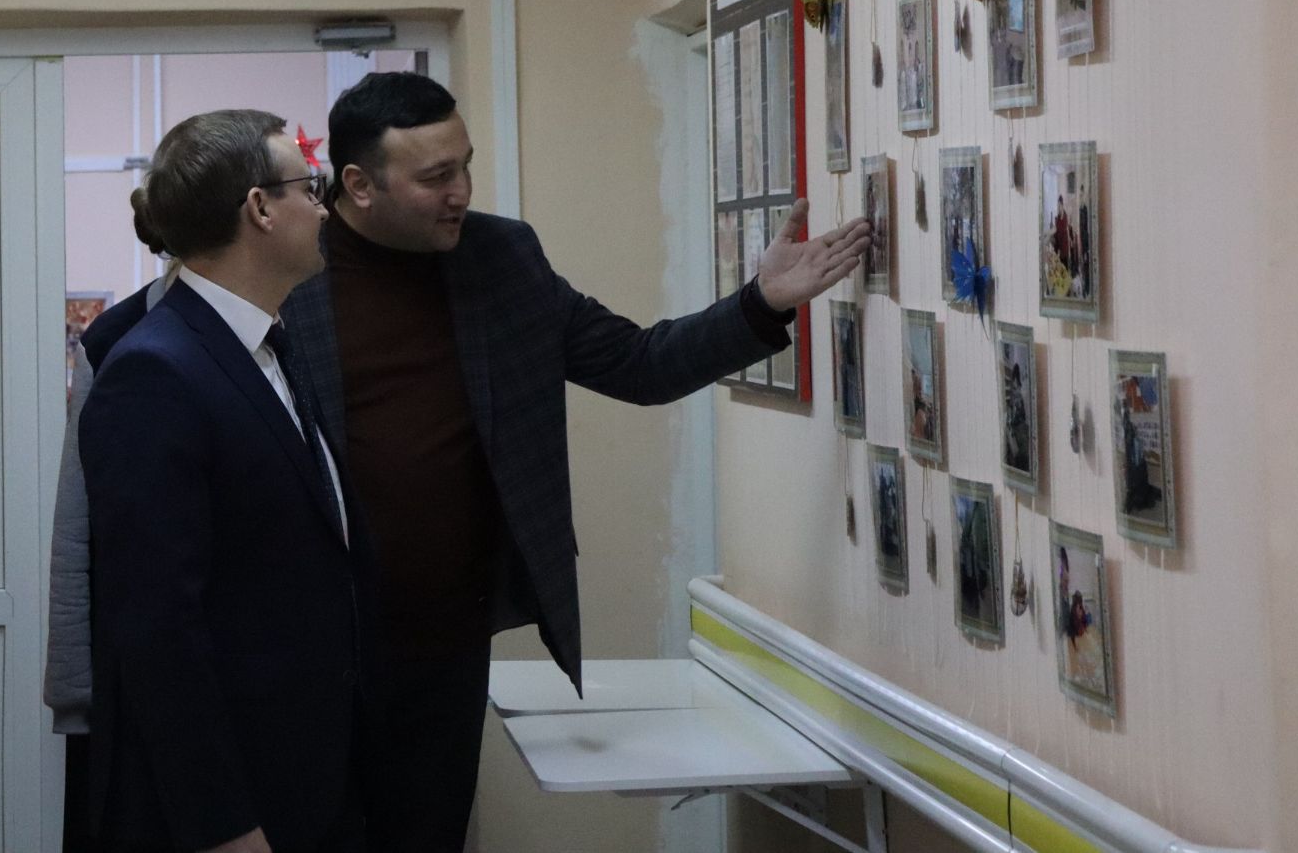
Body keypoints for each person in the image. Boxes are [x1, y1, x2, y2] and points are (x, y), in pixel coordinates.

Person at [277, 73, 871, 852]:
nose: (461, 192)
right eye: (435, 176)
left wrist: (760, 301)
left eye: (465, 165)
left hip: (444, 644)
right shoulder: (284, 267)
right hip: (303, 644)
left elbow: (637, 362)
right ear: (358, 184)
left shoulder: (501, 257)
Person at [80, 110, 376, 853]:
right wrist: (225, 826)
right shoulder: (155, 371)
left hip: (305, 774)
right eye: (308, 188)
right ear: (260, 208)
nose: (323, 208)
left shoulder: (268, 345)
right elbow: (157, 628)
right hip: (231, 806)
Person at [45, 194, 178, 853]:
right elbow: (77, 522)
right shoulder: (119, 339)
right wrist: (75, 692)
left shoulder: (287, 331)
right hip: (135, 672)